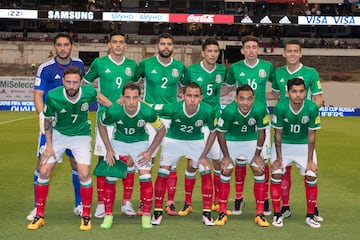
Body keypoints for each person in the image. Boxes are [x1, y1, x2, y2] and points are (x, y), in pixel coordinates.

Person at [27, 66, 112, 231]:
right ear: (63, 82)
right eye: (68, 82)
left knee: (84, 173)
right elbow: (48, 121)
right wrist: (49, 146)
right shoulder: (53, 96)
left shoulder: (88, 92)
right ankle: (40, 215)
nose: (72, 86)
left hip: (81, 136)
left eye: (75, 82)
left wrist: (117, 109)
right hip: (59, 135)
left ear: (81, 82)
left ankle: (86, 215)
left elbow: (104, 101)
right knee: (44, 170)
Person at [28, 32, 86, 221]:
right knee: (43, 163)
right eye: (59, 45)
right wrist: (42, 116)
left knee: (76, 163)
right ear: (54, 47)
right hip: (51, 122)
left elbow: (83, 91)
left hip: (73, 123)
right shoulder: (45, 68)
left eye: (66, 45)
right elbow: (38, 94)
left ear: (71, 46)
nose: (63, 48)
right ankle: (38, 208)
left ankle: (79, 204)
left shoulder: (78, 65)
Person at [83, 31, 138, 218]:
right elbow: (86, 84)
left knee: (128, 159)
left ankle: (126, 202)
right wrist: (106, 101)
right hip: (105, 117)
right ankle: (101, 203)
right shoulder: (100, 63)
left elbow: (136, 89)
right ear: (109, 44)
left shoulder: (132, 65)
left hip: (127, 118)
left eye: (121, 42)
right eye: (115, 42)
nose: (118, 45)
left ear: (125, 45)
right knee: (103, 160)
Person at [97, 82, 166, 230]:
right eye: (127, 98)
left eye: (135, 98)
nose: (131, 102)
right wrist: (109, 149)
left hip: (140, 143)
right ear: (122, 97)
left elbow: (161, 130)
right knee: (111, 177)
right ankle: (108, 216)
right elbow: (101, 125)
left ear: (140, 98)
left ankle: (146, 216)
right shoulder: (114, 110)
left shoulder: (147, 111)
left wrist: (149, 152)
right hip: (118, 142)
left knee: (145, 176)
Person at [269, 39, 323, 221]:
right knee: (283, 169)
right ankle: (285, 207)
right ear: (283, 53)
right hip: (283, 126)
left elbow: (319, 98)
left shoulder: (311, 73)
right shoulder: (278, 73)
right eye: (289, 51)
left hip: (302, 126)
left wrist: (305, 115)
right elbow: (275, 95)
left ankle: (312, 208)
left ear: (300, 53)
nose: (292, 54)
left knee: (310, 170)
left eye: (295, 51)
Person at [151, 82, 217, 226]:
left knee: (205, 169)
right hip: (173, 141)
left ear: (201, 98)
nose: (192, 100)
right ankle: (157, 212)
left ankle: (207, 213)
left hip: (196, 142)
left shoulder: (208, 110)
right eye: (189, 96)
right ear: (182, 96)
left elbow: (213, 132)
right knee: (163, 170)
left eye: (196, 96)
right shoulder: (173, 108)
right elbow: (149, 107)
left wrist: (204, 155)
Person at [134, 32, 185, 216]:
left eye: (169, 44)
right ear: (157, 45)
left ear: (173, 47)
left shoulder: (179, 67)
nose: (166, 47)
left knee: (170, 162)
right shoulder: (146, 64)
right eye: (163, 44)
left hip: (172, 119)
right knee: (148, 159)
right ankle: (143, 202)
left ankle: (169, 202)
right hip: (151, 119)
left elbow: (185, 88)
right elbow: (133, 85)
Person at [224, 35, 275, 216]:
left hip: (261, 119)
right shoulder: (235, 68)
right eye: (248, 47)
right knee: (240, 160)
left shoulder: (267, 67)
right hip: (240, 119)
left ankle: (265, 200)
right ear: (242, 50)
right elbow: (227, 89)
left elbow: (276, 91)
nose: (251, 50)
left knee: (263, 161)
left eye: (254, 47)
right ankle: (238, 198)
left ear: (258, 49)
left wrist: (263, 99)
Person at [179, 37, 227, 215]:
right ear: (203, 53)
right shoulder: (191, 70)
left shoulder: (222, 70)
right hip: (196, 123)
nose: (213, 54)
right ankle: (188, 202)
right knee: (193, 163)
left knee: (217, 162)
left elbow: (225, 89)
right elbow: (182, 89)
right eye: (210, 51)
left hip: (213, 122)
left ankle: (215, 201)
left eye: (216, 51)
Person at [213, 84, 270, 226]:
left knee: (258, 169)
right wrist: (226, 156)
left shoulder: (259, 109)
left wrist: (257, 154)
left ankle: (260, 213)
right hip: (231, 141)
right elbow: (220, 133)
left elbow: (262, 132)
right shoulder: (229, 111)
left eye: (249, 99)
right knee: (226, 170)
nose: (245, 102)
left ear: (253, 99)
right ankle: (222, 212)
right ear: (236, 99)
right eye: (242, 99)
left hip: (251, 140)